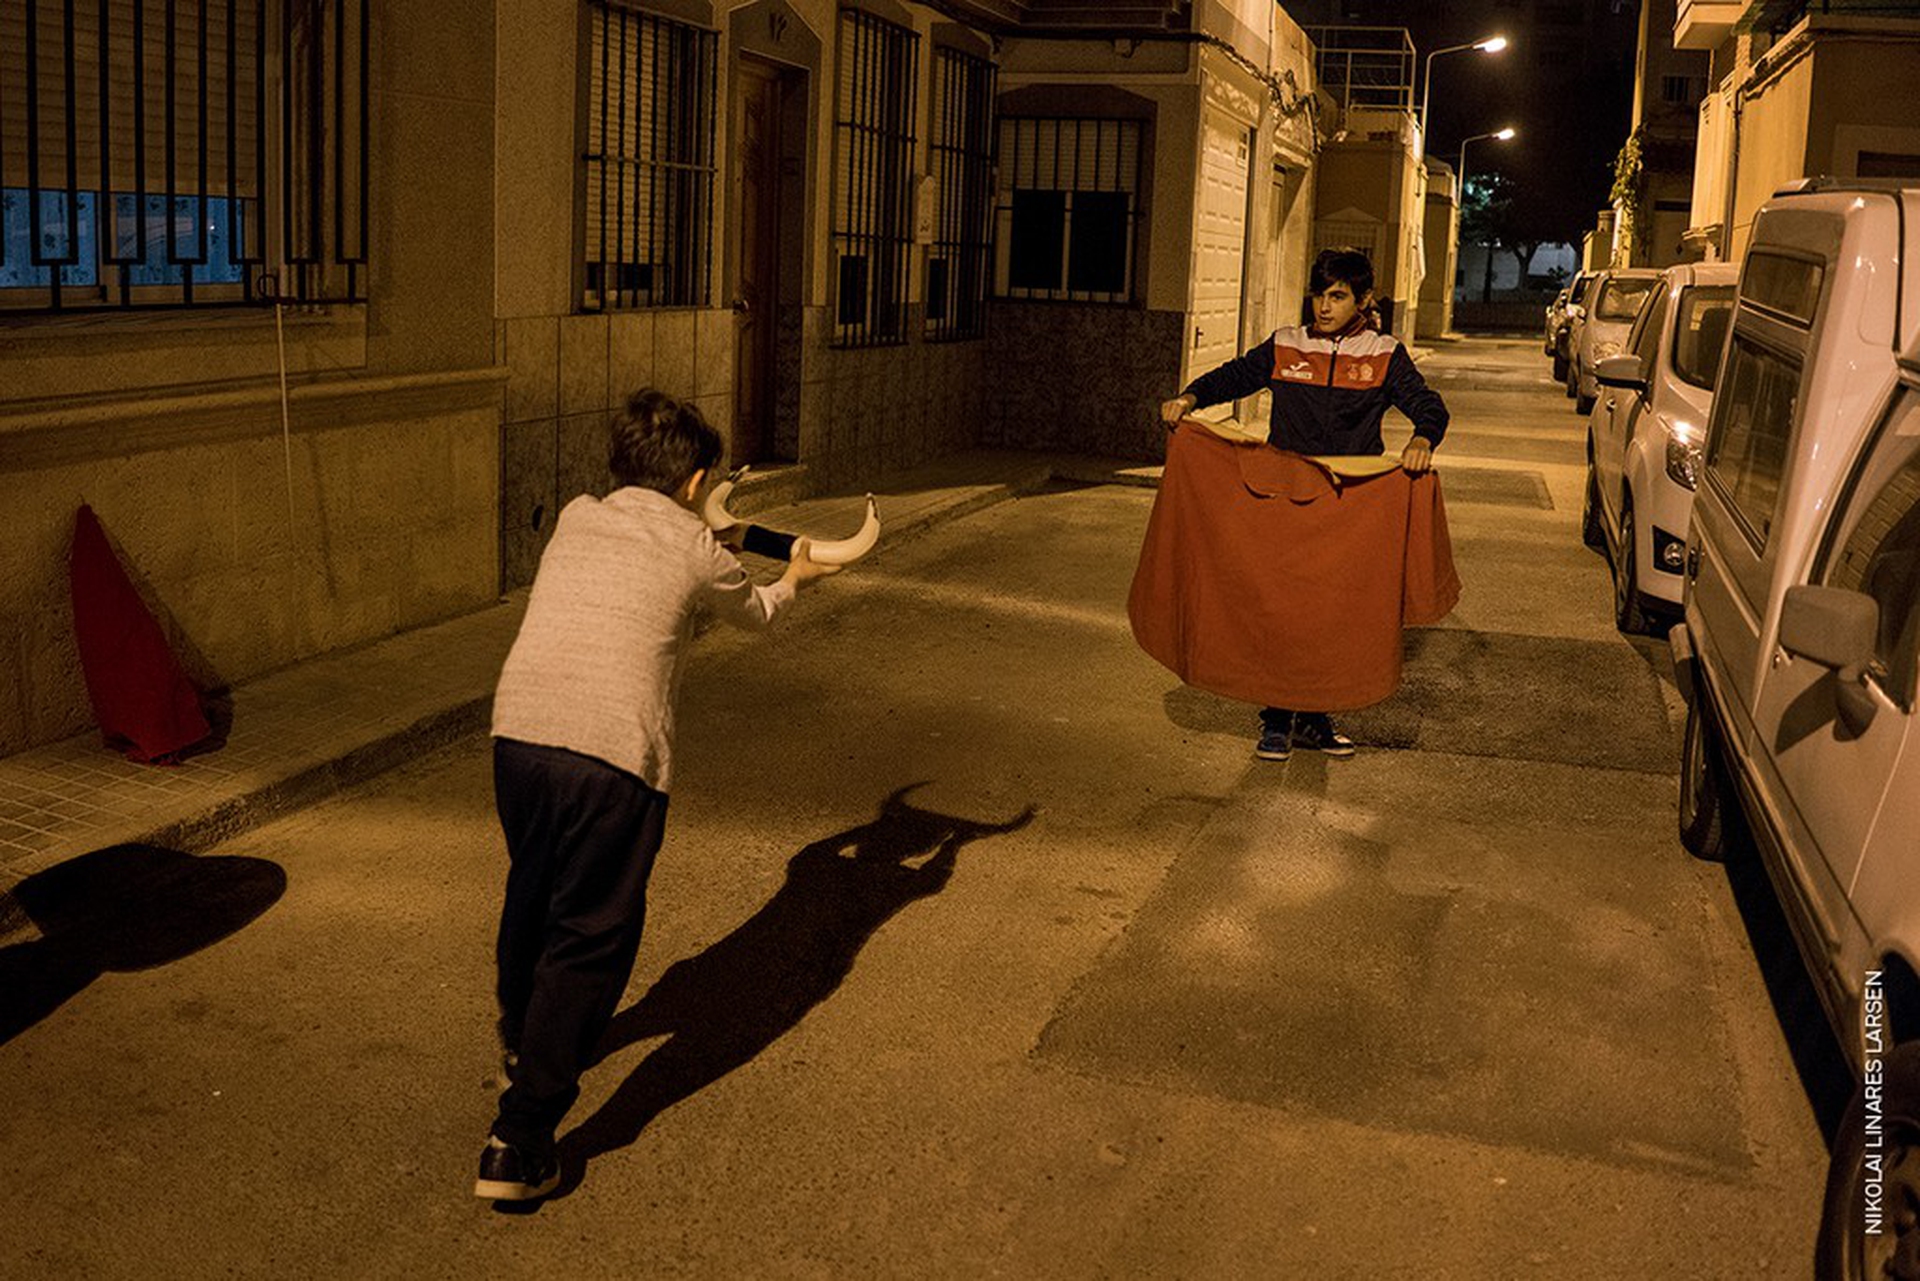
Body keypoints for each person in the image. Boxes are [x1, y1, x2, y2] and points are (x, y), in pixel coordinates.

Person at [476, 389, 837, 1201]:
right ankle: (520, 1138)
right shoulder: (700, 551)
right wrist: (798, 575)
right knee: (591, 935)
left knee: (532, 891)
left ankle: (519, 1029)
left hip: (520, 736)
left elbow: (654, 540)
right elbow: (759, 614)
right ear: (696, 478)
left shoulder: (577, 514)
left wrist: (706, 511)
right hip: (613, 757)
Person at [1157, 247, 1450, 763]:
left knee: (1332, 615)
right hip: (1284, 498)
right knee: (1280, 609)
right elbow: (1235, 375)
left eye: (1337, 296)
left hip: (1347, 508)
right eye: (1319, 294)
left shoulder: (1383, 352)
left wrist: (1424, 437)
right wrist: (1191, 398)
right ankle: (1275, 719)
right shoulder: (1286, 345)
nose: (1323, 306)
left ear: (1361, 300)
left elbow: (1427, 403)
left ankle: (1315, 717)